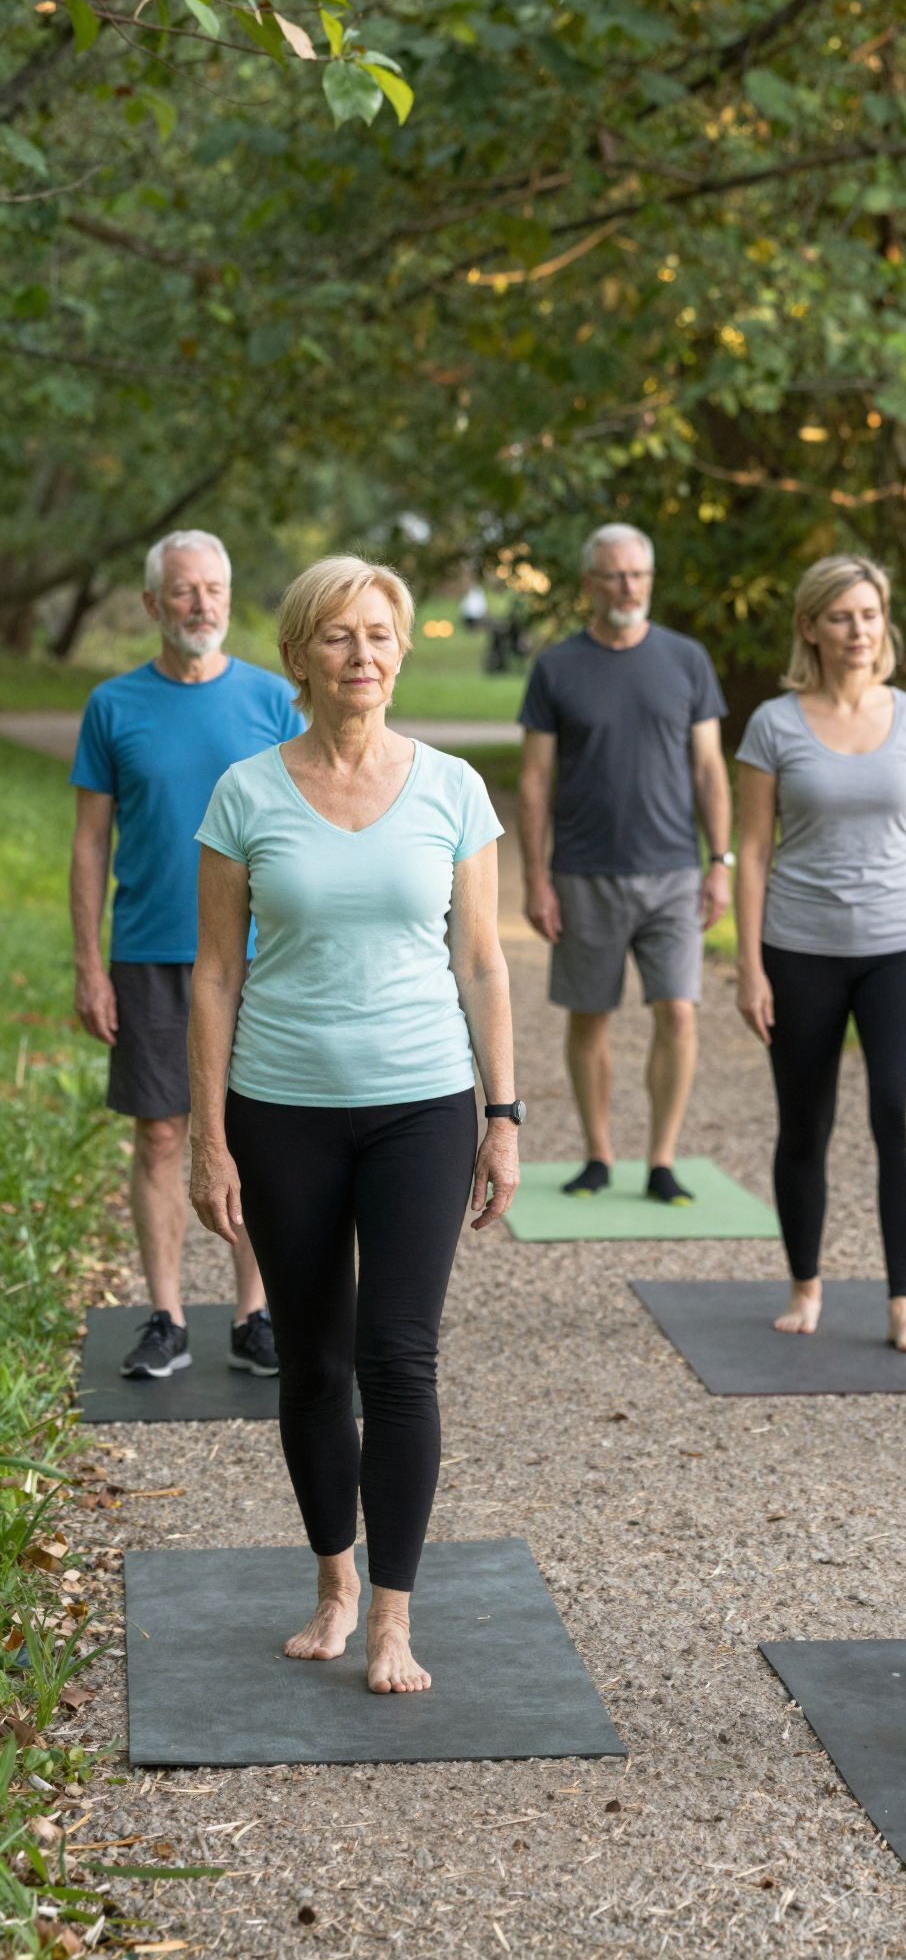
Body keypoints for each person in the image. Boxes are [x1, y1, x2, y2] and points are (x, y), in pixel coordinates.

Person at [187, 555, 521, 1695]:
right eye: (339, 636)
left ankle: (392, 1614)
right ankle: (333, 1582)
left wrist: (506, 1112)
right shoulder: (244, 792)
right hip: (280, 1108)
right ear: (299, 656)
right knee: (314, 1361)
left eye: (380, 634)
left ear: (401, 649)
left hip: (423, 1105)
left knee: (402, 1355)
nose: (363, 654)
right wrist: (206, 1133)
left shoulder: (452, 788)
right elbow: (215, 977)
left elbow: (482, 960)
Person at [69, 529, 302, 1382]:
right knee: (163, 1135)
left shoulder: (276, 701)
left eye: (213, 590)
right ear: (151, 604)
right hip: (151, 953)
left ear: (230, 599)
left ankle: (254, 1313)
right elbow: (91, 844)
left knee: (259, 1137)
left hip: (262, 955)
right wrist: (89, 967)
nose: (201, 604)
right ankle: (165, 1316)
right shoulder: (113, 706)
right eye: (183, 591)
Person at [734, 556, 906, 1350]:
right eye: (840, 616)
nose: (858, 630)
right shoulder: (775, 724)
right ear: (811, 628)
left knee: (903, 1115)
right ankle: (806, 1283)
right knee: (805, 1121)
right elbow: (753, 851)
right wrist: (749, 965)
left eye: (869, 614)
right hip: (799, 946)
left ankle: (903, 1297)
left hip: (899, 946)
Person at [515, 522, 731, 1204]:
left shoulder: (686, 660)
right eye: (614, 574)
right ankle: (598, 1154)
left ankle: (662, 1159)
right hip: (584, 872)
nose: (629, 586)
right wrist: (536, 878)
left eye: (639, 574)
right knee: (590, 1018)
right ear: (590, 583)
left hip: (673, 871)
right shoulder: (556, 667)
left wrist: (718, 861)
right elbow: (533, 781)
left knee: (680, 1012)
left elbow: (709, 770)